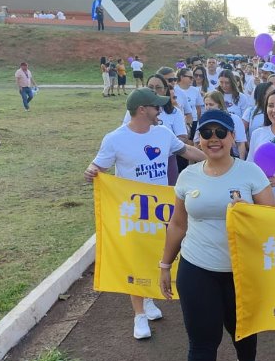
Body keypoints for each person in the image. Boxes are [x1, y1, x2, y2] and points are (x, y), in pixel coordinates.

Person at [160, 109, 275, 361]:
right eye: (206, 132)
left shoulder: (251, 173)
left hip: (242, 271)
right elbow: (178, 225)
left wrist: (249, 213)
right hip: (197, 268)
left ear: (232, 137)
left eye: (220, 132)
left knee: (242, 328)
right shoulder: (188, 177)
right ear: (198, 138)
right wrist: (165, 263)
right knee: (201, 343)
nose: (213, 138)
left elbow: (273, 223)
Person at [84, 88, 205, 340]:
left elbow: (186, 151)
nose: (160, 110)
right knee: (136, 259)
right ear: (142, 110)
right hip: (134, 213)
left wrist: (215, 162)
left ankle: (149, 299)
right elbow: (98, 167)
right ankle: (139, 315)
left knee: (158, 256)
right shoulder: (114, 139)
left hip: (162, 211)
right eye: (155, 106)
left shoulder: (162, 133)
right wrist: (91, 171)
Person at [197, 91, 247, 159]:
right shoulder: (203, 120)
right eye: (206, 104)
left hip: (232, 158)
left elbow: (240, 144)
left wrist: (241, 163)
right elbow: (196, 142)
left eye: (211, 104)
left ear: (220, 105)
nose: (208, 107)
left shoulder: (234, 118)